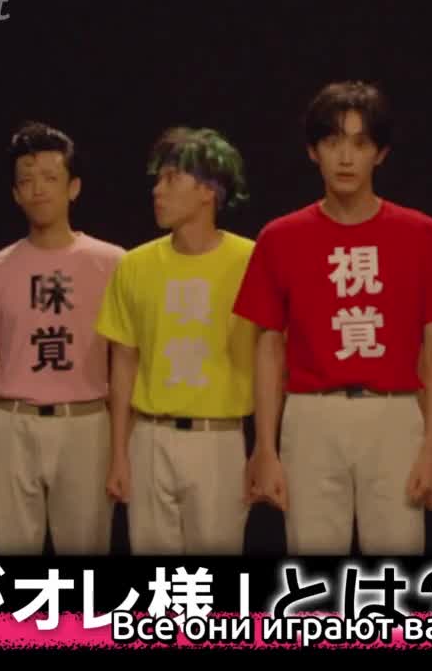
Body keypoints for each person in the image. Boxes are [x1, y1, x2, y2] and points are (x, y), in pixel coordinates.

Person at [233, 80, 432, 555]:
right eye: (333, 142)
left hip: (394, 413)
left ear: (380, 154)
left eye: (360, 144)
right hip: (311, 415)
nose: (346, 158)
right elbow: (269, 347)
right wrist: (265, 446)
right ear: (313, 151)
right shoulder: (280, 237)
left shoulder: (421, 234)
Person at [0, 121, 125, 555]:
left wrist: (123, 450)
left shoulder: (113, 263)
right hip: (11, 426)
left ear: (74, 187)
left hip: (86, 424)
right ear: (15, 194)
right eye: (26, 180)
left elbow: (127, 363)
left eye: (50, 177)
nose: (38, 189)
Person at [94, 126, 256, 554]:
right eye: (158, 180)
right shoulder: (135, 264)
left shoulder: (251, 260)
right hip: (150, 434)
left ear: (207, 191)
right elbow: (123, 362)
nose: (157, 191)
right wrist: (118, 453)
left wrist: (267, 449)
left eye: (171, 179)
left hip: (218, 436)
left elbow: (273, 354)